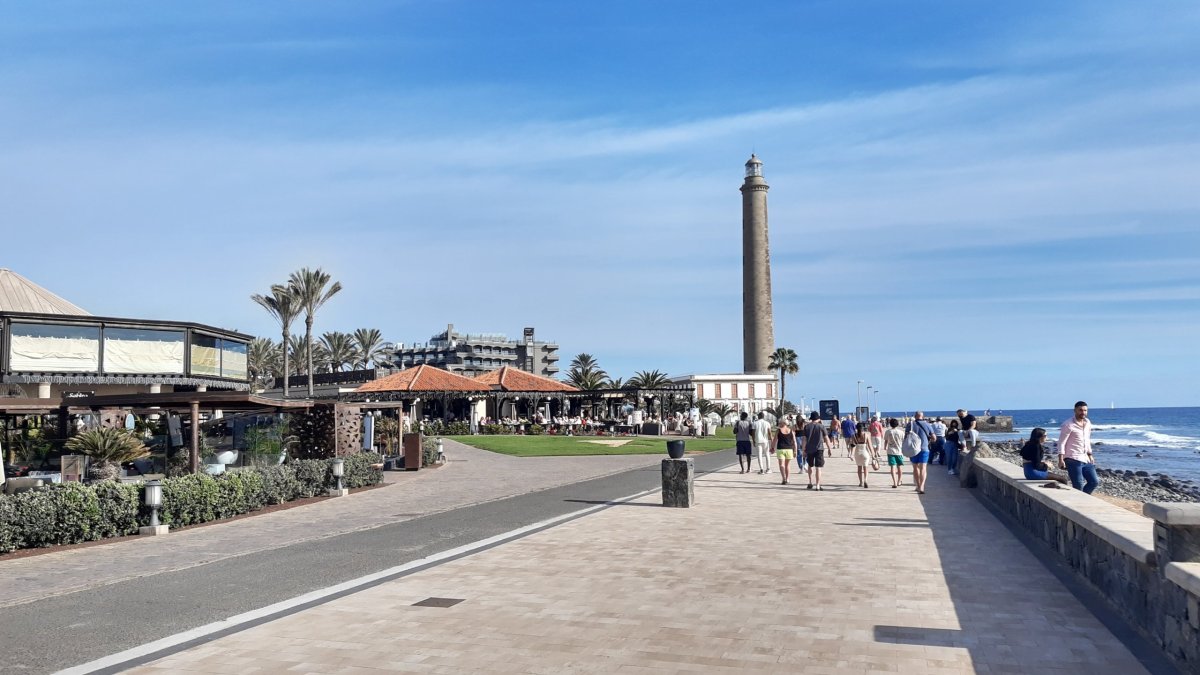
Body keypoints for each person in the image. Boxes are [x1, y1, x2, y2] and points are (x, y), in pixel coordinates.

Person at [1058, 401, 1099, 494]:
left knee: (1094, 481)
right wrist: (1061, 459)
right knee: (1078, 484)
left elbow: (1087, 439)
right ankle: (1078, 503)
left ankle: (1083, 498)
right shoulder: (1068, 424)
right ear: (1075, 410)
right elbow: (1061, 442)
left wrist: (1090, 454)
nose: (1083, 412)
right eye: (1080, 410)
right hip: (1072, 458)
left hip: (1085, 458)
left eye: (1085, 410)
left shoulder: (1087, 422)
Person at [907, 411, 936, 494]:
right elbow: (934, 438)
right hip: (924, 448)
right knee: (923, 468)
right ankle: (922, 486)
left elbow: (906, 436)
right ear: (922, 416)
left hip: (913, 449)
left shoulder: (910, 424)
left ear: (915, 416)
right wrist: (929, 439)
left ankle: (918, 485)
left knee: (915, 467)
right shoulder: (927, 424)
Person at [801, 411, 828, 490]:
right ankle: (818, 485)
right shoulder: (821, 426)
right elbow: (826, 438)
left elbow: (804, 439)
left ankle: (810, 482)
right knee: (818, 467)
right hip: (819, 448)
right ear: (818, 418)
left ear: (811, 418)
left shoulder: (806, 427)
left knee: (810, 465)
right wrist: (829, 448)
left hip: (809, 448)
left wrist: (803, 450)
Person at [773, 417, 798, 485]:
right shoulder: (791, 431)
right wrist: (795, 451)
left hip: (780, 449)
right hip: (789, 449)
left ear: (783, 423)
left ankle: (783, 478)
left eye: (780, 423)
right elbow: (794, 441)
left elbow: (775, 440)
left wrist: (772, 447)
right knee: (787, 465)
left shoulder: (778, 431)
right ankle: (787, 478)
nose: (779, 424)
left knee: (781, 465)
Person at [884, 417, 905, 488]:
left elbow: (886, 440)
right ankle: (899, 481)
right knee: (899, 467)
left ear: (890, 424)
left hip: (890, 451)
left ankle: (895, 482)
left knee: (892, 467)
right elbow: (903, 441)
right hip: (899, 451)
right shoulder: (901, 432)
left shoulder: (888, 431)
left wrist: (885, 447)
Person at [851, 422, 874, 488]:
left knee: (859, 468)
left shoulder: (854, 435)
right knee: (865, 467)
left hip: (857, 453)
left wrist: (851, 454)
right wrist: (873, 454)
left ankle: (860, 482)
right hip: (865, 453)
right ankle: (865, 480)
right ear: (863, 428)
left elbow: (852, 445)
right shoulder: (866, 435)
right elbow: (870, 446)